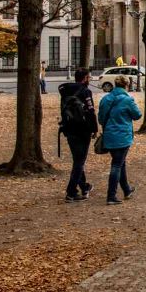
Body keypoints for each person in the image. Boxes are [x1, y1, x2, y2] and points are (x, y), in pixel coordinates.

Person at [98, 76, 142, 205]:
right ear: (126, 86)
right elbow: (137, 115)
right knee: (117, 164)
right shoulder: (128, 100)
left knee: (120, 162)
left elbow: (101, 118)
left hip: (109, 136)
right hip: (123, 136)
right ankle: (111, 196)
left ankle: (127, 190)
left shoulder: (105, 99)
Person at [59, 69, 99, 202]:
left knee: (77, 159)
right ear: (85, 78)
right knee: (79, 162)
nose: (90, 79)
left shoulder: (65, 91)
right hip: (83, 130)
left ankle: (84, 186)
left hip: (69, 129)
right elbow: (91, 111)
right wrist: (94, 128)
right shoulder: (85, 92)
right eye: (89, 77)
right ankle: (71, 192)